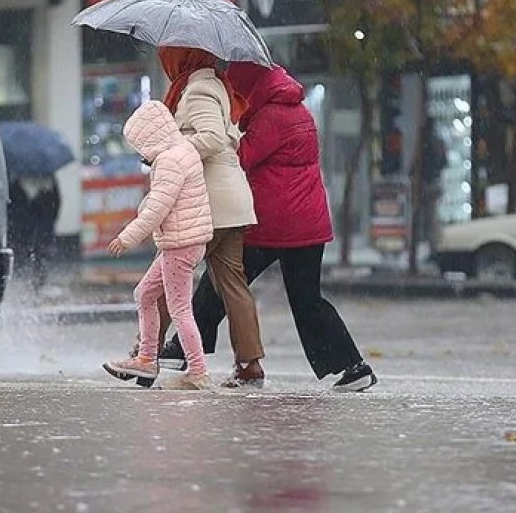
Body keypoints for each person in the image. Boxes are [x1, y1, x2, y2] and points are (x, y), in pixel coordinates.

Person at [158, 63, 377, 392]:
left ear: (252, 86)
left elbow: (241, 157)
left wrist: (222, 132)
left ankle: (180, 352)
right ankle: (353, 366)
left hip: (274, 224)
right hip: (308, 226)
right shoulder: (296, 111)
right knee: (307, 301)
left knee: (222, 280)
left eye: (238, 90)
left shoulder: (272, 117)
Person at [151, 46, 265, 387]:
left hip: (208, 203)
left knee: (165, 278)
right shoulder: (217, 84)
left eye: (168, 56)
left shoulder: (197, 89)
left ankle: (146, 353)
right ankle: (250, 364)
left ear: (182, 57)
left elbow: (213, 138)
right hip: (233, 202)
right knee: (233, 285)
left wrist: (172, 152)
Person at [102, 101, 214, 390]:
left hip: (179, 244)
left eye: (139, 145)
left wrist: (127, 237)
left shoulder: (169, 161)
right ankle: (147, 360)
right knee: (144, 294)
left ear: (149, 138)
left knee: (179, 310)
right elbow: (163, 201)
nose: (140, 153)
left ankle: (198, 371)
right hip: (185, 241)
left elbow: (157, 209)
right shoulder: (184, 149)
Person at [7, 173, 61, 288]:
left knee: (38, 250)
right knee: (34, 250)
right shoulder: (48, 181)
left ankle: (36, 279)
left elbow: (55, 204)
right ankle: (33, 278)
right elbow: (56, 203)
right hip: (30, 227)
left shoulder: (16, 180)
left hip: (35, 226)